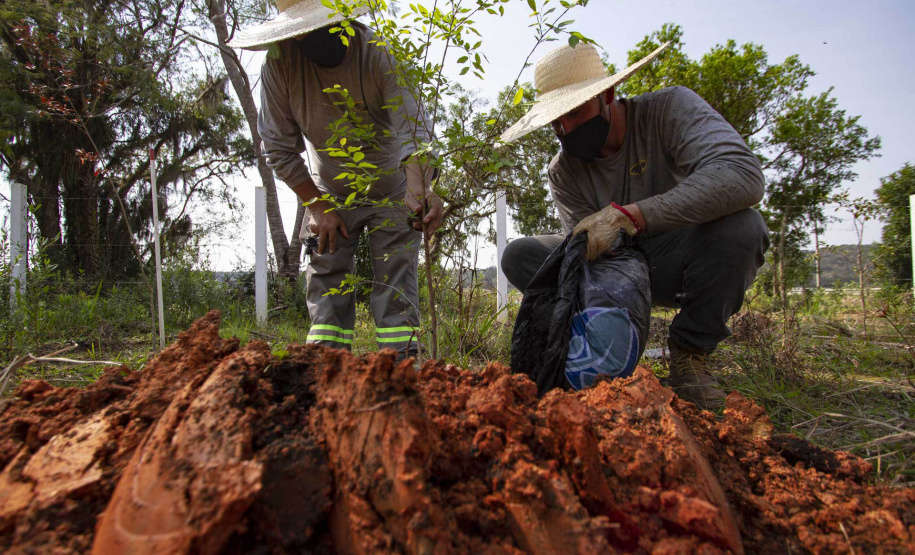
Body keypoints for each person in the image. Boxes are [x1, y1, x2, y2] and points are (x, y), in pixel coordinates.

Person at [499, 42, 769, 409]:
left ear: (607, 94)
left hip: (679, 259)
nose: (565, 128)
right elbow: (587, 260)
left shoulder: (669, 109)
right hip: (615, 273)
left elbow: (742, 175)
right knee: (522, 255)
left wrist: (632, 215)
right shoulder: (563, 170)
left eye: (575, 113)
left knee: (743, 228)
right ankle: (597, 352)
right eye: (556, 121)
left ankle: (690, 353)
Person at [230, 0, 442, 356]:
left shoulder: (379, 54)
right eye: (301, 32)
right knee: (326, 284)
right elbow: (278, 148)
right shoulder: (280, 67)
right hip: (328, 190)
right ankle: (323, 368)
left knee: (396, 286)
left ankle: (401, 371)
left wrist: (420, 189)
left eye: (319, 26)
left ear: (342, 21)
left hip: (395, 189)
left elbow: (415, 131)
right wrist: (317, 205)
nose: (310, 38)